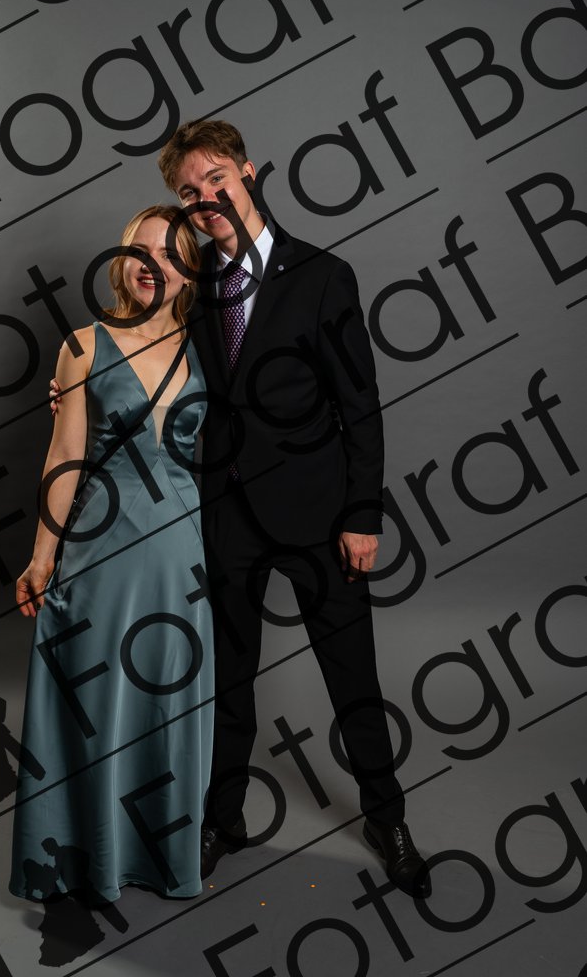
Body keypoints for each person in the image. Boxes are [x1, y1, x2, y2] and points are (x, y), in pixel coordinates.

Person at [52, 123, 431, 898]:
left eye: (216, 178)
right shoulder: (191, 286)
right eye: (188, 192)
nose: (206, 198)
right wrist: (75, 388)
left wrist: (363, 514)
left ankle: (388, 819)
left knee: (352, 676)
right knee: (228, 682)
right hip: (224, 515)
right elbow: (146, 355)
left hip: (321, 516)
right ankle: (222, 820)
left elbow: (360, 405)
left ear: (248, 173)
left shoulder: (323, 276)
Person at [10, 205, 214, 903]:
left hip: (180, 555)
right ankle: (89, 860)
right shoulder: (84, 343)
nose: (154, 266)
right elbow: (64, 456)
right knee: (96, 703)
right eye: (141, 252)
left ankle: (162, 857)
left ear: (190, 270)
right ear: (123, 263)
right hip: (101, 550)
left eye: (172, 254)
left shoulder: (210, 348)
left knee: (166, 704)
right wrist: (41, 559)